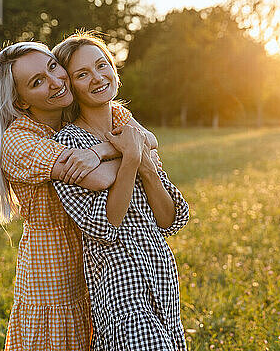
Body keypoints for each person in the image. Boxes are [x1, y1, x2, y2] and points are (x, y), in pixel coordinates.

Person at [0, 41, 148, 350]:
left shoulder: (75, 116)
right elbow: (100, 178)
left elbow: (146, 138)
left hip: (97, 257)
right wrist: (128, 154)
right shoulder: (18, 142)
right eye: (37, 82)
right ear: (21, 102)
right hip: (53, 272)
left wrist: (99, 150)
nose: (56, 81)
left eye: (53, 67)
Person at [51, 32, 190, 351]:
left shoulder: (131, 133)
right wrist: (130, 158)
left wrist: (143, 163)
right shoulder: (70, 144)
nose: (97, 78)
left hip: (161, 278)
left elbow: (170, 219)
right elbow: (104, 226)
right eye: (82, 74)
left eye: (102, 66)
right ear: (70, 87)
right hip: (120, 287)